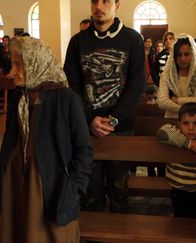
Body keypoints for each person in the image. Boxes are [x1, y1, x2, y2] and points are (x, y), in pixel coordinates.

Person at [0, 37, 92, 243]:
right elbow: (11, 141)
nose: (11, 72)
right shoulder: (20, 97)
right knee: (18, 233)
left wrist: (73, 188)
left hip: (51, 186)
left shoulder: (66, 98)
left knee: (52, 235)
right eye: (12, 64)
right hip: (15, 183)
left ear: (37, 63)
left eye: (18, 65)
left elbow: (84, 150)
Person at [64, 0, 145, 213]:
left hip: (121, 128)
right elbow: (72, 85)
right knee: (91, 192)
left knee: (119, 191)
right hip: (87, 129)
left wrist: (115, 119)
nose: (99, 5)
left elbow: (137, 83)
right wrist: (89, 119)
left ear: (117, 5)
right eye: (94, 1)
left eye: (106, 1)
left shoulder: (133, 39)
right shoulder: (77, 42)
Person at [157, 33, 196, 118]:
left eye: (186, 54)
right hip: (172, 120)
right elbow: (162, 102)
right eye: (179, 55)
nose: (182, 59)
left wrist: (179, 100)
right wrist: (185, 110)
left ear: (193, 55)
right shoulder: (166, 75)